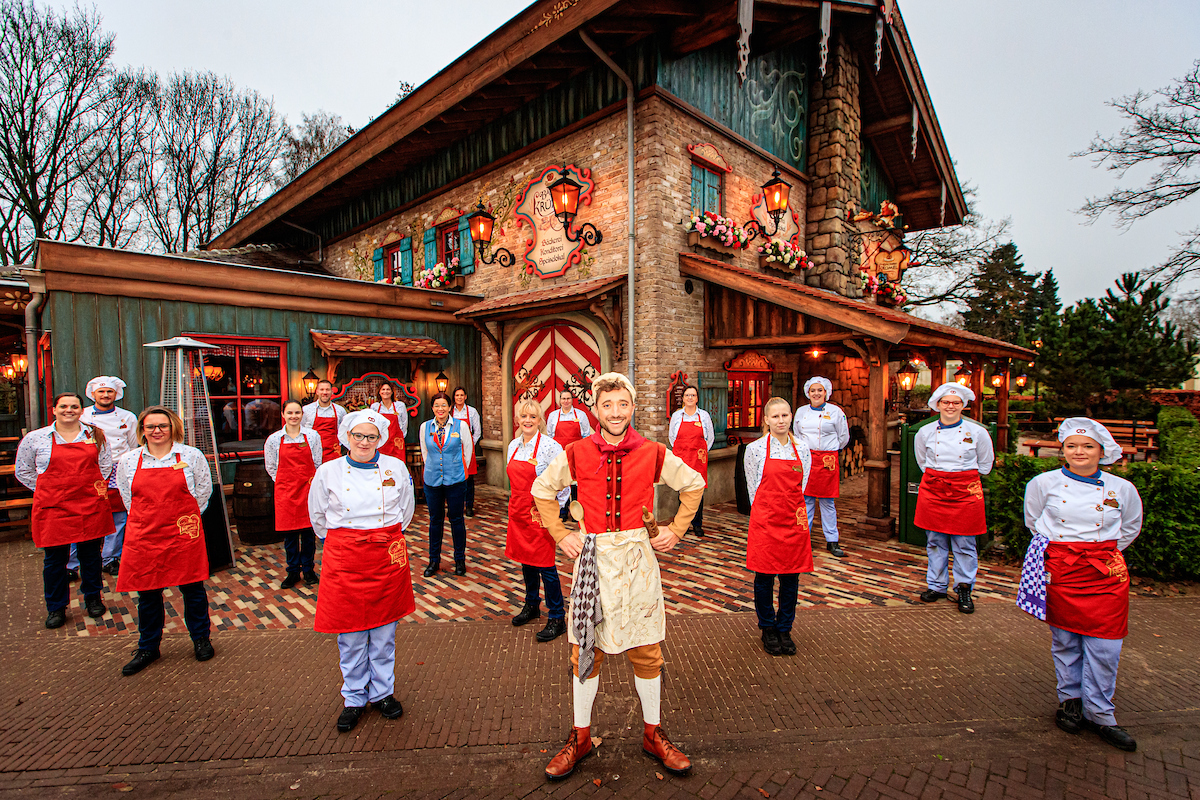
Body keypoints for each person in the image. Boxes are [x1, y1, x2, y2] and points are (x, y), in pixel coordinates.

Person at [532, 372, 705, 781]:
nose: (614, 412)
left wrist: (676, 530)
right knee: (583, 652)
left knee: (646, 649)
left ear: (632, 408)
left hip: (637, 559)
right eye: (607, 405)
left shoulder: (653, 451)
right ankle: (581, 737)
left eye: (622, 405)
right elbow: (542, 489)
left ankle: (652, 734)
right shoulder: (574, 452)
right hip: (593, 559)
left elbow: (694, 483)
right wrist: (560, 533)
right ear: (594, 408)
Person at [1019, 418, 1142, 752]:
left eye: (1088, 446)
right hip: (1062, 570)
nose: (1079, 452)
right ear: (1063, 450)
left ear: (1102, 451)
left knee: (1107, 647)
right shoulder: (1043, 483)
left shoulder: (1122, 489)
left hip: (1105, 574)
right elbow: (1035, 523)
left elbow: (1129, 529)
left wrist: (1098, 553)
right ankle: (1070, 701)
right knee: (1065, 641)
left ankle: (1102, 714)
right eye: (1072, 446)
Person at [309, 409, 415, 733]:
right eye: (359, 435)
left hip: (386, 556)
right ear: (346, 437)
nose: (365, 442)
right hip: (345, 557)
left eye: (371, 436)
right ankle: (354, 697)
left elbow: (406, 511)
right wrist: (346, 542)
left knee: (384, 633)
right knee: (351, 634)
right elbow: (317, 516)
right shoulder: (328, 472)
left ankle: (383, 693)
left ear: (380, 438)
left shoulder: (396, 467)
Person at [115, 407, 215, 676]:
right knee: (147, 593)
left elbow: (204, 492)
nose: (157, 431)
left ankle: (201, 638)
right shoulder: (129, 460)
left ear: (173, 428)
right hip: (145, 534)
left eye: (163, 425)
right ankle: (148, 646)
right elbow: (128, 498)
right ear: (142, 431)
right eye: (151, 427)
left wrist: (187, 521)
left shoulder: (191, 456)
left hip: (183, 535)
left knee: (193, 590)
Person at [16, 392, 115, 629]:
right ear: (54, 410)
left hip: (89, 505)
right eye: (63, 406)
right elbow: (23, 471)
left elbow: (105, 465)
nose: (68, 410)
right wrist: (49, 490)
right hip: (53, 507)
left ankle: (93, 598)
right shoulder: (36, 438)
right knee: (54, 560)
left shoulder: (95, 435)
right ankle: (56, 607)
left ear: (82, 410)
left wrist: (85, 489)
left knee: (90, 556)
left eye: (74, 406)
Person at [913, 382, 994, 614]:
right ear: (937, 405)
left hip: (965, 491)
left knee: (965, 543)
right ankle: (936, 585)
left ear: (963, 406)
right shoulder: (925, 432)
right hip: (934, 488)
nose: (951, 406)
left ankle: (964, 587)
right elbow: (922, 461)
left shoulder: (978, 432)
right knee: (935, 541)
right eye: (946, 402)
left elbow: (985, 464)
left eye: (956, 403)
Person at [744, 397, 812, 657]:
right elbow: (753, 488)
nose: (781, 421)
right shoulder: (756, 449)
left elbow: (802, 486)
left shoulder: (802, 449)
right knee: (763, 578)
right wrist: (764, 514)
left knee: (791, 577)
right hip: (766, 520)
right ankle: (767, 628)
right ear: (766, 420)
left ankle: (785, 627)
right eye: (775, 417)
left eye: (785, 415)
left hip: (793, 521)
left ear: (791, 417)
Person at [506, 399, 569, 643]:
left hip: (540, 514)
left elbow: (564, 480)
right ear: (518, 420)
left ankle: (557, 616)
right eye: (524, 416)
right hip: (518, 512)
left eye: (533, 417)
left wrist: (556, 511)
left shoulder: (550, 447)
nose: (528, 421)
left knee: (546, 566)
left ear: (540, 420)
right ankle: (532, 605)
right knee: (526, 561)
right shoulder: (513, 445)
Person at [79, 376, 138, 575]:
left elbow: (132, 446)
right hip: (90, 469)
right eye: (101, 391)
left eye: (109, 391)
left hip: (117, 468)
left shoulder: (128, 417)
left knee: (119, 515)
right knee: (85, 514)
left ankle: (110, 558)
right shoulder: (82, 415)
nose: (105, 395)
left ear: (116, 394)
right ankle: (73, 562)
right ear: (93, 394)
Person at [264, 400, 323, 589]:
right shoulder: (274, 439)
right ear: (283, 414)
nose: (294, 416)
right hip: (285, 492)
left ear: (302, 415)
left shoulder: (312, 436)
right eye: (290, 413)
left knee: (308, 534)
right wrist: (284, 483)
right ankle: (292, 571)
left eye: (297, 412)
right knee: (289, 536)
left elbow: (317, 462)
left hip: (307, 490)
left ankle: (308, 570)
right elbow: (271, 467)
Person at [792, 377, 850, 558]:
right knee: (806, 500)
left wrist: (830, 451)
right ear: (807, 393)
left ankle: (832, 540)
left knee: (827, 501)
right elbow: (796, 433)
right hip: (807, 458)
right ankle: (804, 538)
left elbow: (843, 437)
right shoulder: (801, 412)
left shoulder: (836, 412)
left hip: (827, 460)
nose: (816, 394)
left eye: (820, 390)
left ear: (826, 392)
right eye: (813, 391)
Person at [420, 392, 473, 577]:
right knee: (435, 521)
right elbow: (425, 452)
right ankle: (434, 560)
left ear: (449, 407)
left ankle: (460, 560)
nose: (440, 409)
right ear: (432, 408)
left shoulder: (461, 426)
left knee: (456, 520)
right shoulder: (425, 427)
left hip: (455, 481)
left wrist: (457, 471)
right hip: (432, 481)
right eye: (437, 406)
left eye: (444, 405)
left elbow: (467, 451)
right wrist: (434, 469)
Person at [668, 385, 714, 537]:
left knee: (698, 492)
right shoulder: (677, 416)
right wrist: (682, 452)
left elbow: (710, 438)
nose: (690, 398)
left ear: (697, 398)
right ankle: (684, 525)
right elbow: (672, 438)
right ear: (683, 398)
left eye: (693, 395)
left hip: (698, 459)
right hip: (681, 459)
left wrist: (700, 453)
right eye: (687, 395)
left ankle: (697, 524)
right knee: (683, 491)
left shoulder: (704, 416)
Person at [546, 389, 592, 521]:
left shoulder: (581, 415)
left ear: (572, 400)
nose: (566, 401)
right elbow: (550, 436)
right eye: (563, 398)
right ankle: (563, 509)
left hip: (576, 453)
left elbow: (586, 435)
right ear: (560, 401)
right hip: (559, 454)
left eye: (568, 398)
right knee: (562, 482)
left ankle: (576, 512)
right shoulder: (553, 416)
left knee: (575, 482)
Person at [451, 387, 482, 517]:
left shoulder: (472, 411)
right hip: (452, 449)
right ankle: (454, 506)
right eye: (457, 395)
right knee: (453, 479)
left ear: (465, 397)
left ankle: (469, 506)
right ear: (454, 397)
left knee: (469, 479)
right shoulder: (449, 411)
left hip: (468, 450)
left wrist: (469, 446)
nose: (459, 397)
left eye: (461, 395)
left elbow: (477, 432)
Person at [301, 380, 347, 465]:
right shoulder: (306, 410)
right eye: (322, 389)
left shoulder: (340, 410)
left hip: (333, 454)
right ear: (317, 392)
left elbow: (344, 432)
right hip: (312, 453)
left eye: (327, 390)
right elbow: (301, 430)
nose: (324, 392)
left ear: (332, 392)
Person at [370, 381, 409, 461]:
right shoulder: (375, 407)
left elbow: (404, 423)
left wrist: (400, 438)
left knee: (397, 464)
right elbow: (372, 425)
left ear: (392, 392)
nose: (385, 391)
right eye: (383, 389)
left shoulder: (400, 405)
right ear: (379, 392)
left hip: (396, 442)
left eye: (388, 389)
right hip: (381, 442)